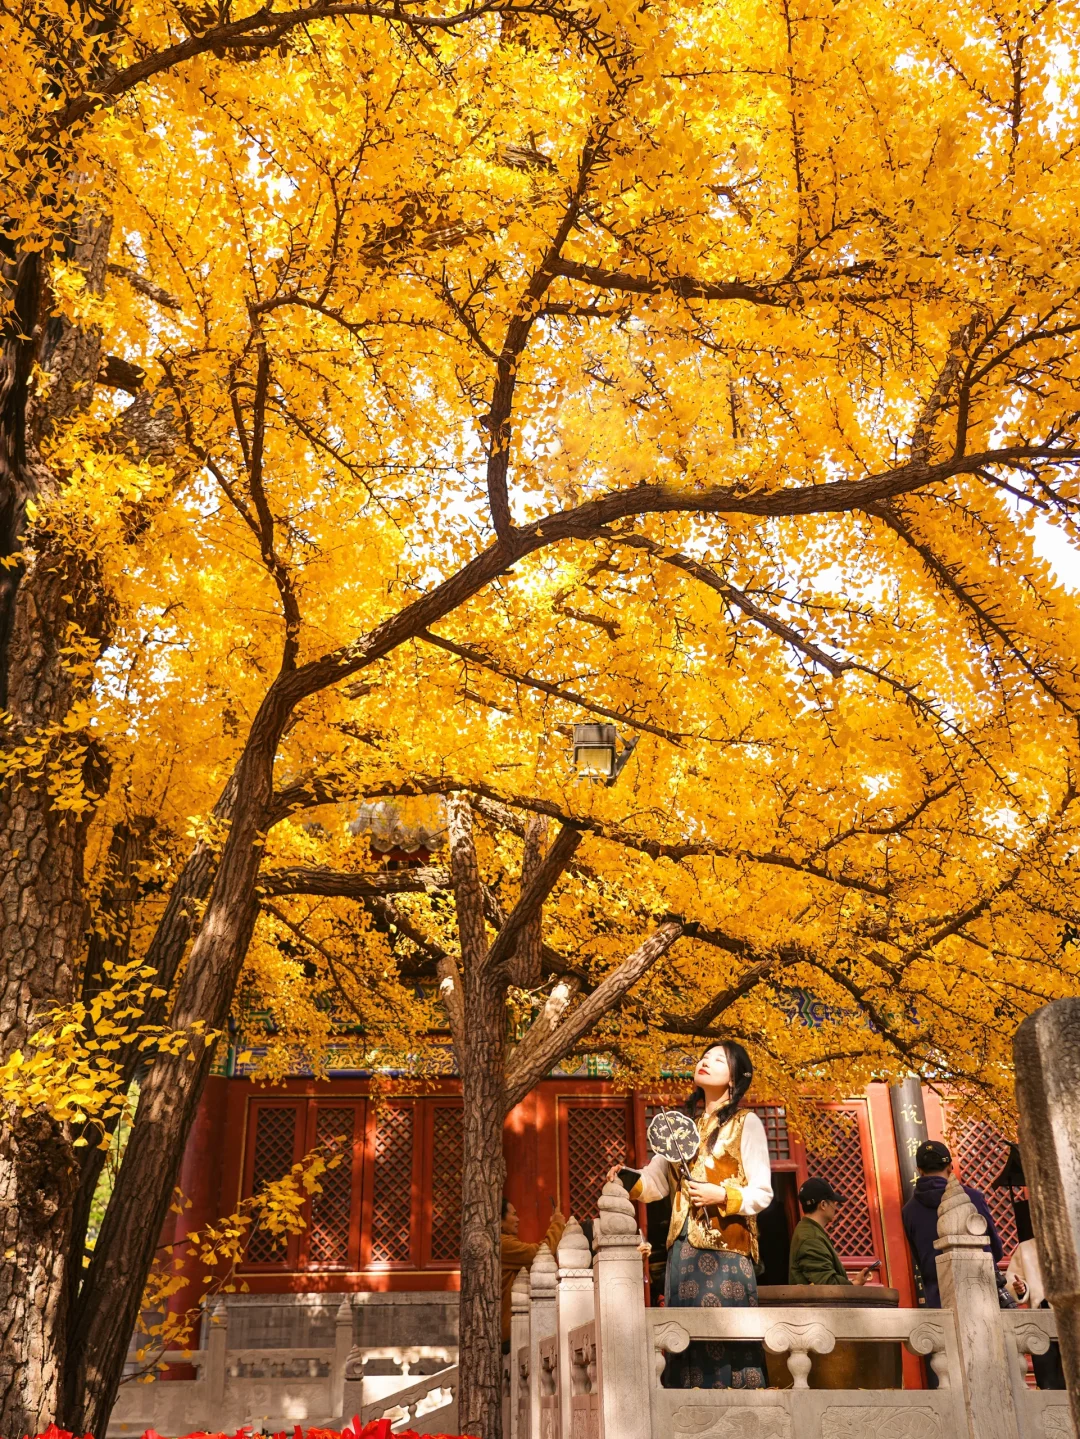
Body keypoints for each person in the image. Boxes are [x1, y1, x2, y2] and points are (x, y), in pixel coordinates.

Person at [608, 1041, 773, 1389]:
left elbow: (762, 1192)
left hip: (726, 1252)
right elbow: (655, 1183)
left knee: (726, 1343)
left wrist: (721, 1195)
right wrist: (626, 1178)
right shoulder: (681, 1129)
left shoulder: (747, 1123)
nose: (705, 1062)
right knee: (685, 1343)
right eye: (703, 1057)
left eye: (718, 1059)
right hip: (682, 1254)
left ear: (734, 1078)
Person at [901, 1139, 1003, 1308]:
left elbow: (919, 1259)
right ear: (950, 1166)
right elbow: (996, 1251)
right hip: (981, 1294)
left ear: (919, 1170)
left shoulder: (909, 1211)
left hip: (939, 1298)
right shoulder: (974, 1198)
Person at [500, 1196, 566, 1351]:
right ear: (499, 1220)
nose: (518, 1219)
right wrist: (557, 1224)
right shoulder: (502, 1244)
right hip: (511, 1329)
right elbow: (542, 1253)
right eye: (513, 1214)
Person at [789, 1178, 875, 1286]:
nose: (835, 1206)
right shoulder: (810, 1238)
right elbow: (827, 1284)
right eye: (833, 1202)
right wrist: (855, 1284)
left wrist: (853, 1282)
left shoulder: (811, 1231)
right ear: (823, 1204)